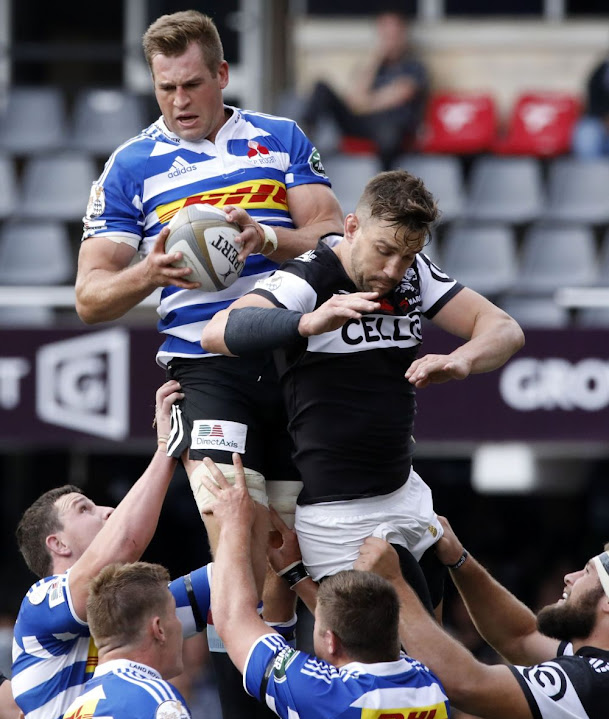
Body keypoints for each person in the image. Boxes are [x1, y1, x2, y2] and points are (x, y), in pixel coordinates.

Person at [74, 11, 344, 719]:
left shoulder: (279, 138)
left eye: (192, 83)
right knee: (235, 534)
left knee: (290, 552)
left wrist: (269, 237)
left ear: (222, 75)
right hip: (205, 368)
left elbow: (334, 236)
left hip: (290, 359)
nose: (179, 100)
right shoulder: (131, 165)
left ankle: (315, 718)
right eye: (166, 88)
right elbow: (91, 296)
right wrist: (148, 270)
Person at [201, 169, 525, 607]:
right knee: (367, 662)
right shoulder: (308, 278)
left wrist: (462, 359)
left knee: (434, 664)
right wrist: (307, 322)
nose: (394, 270)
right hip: (338, 518)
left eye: (408, 256)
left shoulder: (415, 276)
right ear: (352, 227)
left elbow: (504, 328)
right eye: (385, 251)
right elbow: (218, 331)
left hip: (406, 496)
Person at [202, 453, 454, 719]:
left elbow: (232, 618)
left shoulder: (320, 692)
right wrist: (295, 576)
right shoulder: (433, 685)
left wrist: (234, 524)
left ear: (332, 642)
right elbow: (349, 621)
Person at [11, 381, 212, 719]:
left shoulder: (131, 610)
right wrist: (167, 447)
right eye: (84, 509)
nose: (109, 512)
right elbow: (124, 544)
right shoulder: (39, 604)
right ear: (56, 544)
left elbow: (231, 579)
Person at [355, 520, 609, 719]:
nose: (569, 577)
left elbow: (466, 684)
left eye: (587, 572)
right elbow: (520, 636)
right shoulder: (593, 667)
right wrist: (459, 559)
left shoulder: (594, 684)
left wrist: (394, 583)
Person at [57, 562, 203, 719]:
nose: (180, 624)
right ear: (159, 629)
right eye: (174, 613)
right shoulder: (153, 695)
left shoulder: (74, 713)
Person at [301, 12, 429, 170]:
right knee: (322, 88)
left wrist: (362, 103)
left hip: (391, 128)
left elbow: (395, 96)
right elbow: (353, 98)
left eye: (394, 34)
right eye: (385, 34)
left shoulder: (414, 67)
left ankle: (383, 188)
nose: (390, 40)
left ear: (403, 35)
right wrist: (375, 59)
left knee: (389, 132)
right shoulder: (372, 66)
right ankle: (301, 144)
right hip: (362, 123)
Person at [571, 51, 609, 158]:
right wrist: (604, 118)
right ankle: (592, 173)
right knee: (587, 136)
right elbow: (593, 101)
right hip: (599, 119)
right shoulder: (601, 71)